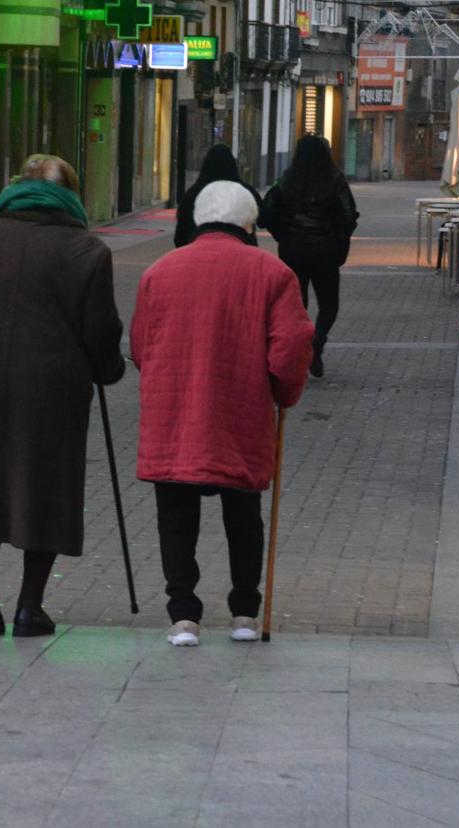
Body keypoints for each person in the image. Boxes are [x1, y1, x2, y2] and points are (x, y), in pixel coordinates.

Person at [0, 154, 126, 637]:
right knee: (46, 484)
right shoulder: (86, 250)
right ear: (71, 196)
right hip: (52, 386)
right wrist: (109, 369)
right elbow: (100, 329)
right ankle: (30, 606)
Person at [131, 181, 314, 647]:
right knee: (243, 514)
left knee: (175, 515)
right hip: (241, 409)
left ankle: (183, 615)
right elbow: (291, 349)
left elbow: (139, 346)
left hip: (174, 414)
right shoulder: (273, 274)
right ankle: (244, 613)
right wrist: (284, 394)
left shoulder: (159, 271)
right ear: (248, 223)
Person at [261, 135, 358, 378]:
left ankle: (301, 346)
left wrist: (282, 234)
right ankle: (318, 339)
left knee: (297, 303)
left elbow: (266, 212)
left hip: (293, 250)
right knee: (329, 302)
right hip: (325, 250)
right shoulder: (335, 179)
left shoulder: (287, 180)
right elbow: (349, 214)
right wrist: (339, 239)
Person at [174, 144, 264, 247]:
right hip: (241, 251)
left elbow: (181, 233)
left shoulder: (192, 194)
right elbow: (262, 219)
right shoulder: (244, 192)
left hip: (198, 250)